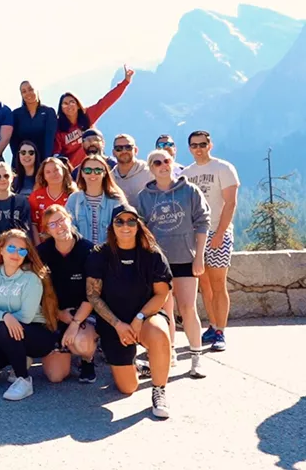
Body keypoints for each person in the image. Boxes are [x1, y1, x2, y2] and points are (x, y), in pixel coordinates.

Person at [85, 204, 173, 418]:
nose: (126, 226)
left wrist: (139, 318)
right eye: (120, 221)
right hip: (113, 324)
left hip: (145, 317)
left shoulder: (152, 255)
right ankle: (138, 365)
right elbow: (92, 295)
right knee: (127, 388)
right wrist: (117, 324)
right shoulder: (99, 254)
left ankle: (159, 390)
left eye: (131, 221)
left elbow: (162, 294)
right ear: (112, 226)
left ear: (138, 225)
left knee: (160, 333)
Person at [138, 149, 210, 378]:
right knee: (165, 312)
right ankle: (168, 355)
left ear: (172, 163)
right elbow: (140, 230)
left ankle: (196, 358)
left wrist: (199, 256)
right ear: (151, 168)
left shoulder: (189, 191)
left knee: (188, 308)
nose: (162, 165)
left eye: (166, 161)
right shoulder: (144, 197)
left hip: (185, 258)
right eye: (156, 162)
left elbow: (202, 222)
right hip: (158, 263)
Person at [0, 229, 60, 400]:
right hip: (8, 331)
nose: (16, 254)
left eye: (22, 250)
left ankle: (24, 379)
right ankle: (19, 359)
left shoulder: (31, 279)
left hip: (38, 334)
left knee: (6, 327)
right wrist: (4, 316)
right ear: (1, 249)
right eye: (12, 248)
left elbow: (26, 316)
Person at [181, 131, 240, 353]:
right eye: (194, 145)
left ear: (210, 145)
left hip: (218, 232)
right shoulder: (187, 173)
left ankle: (221, 331)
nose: (199, 148)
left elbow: (230, 203)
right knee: (204, 285)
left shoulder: (223, 168)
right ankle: (212, 326)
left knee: (218, 283)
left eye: (202, 144)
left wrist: (220, 233)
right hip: (195, 236)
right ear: (189, 148)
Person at [35, 205, 97, 383]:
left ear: (70, 219)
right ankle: (64, 350)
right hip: (54, 314)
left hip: (83, 313)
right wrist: (57, 314)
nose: (59, 226)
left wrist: (75, 322)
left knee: (82, 343)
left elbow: (93, 294)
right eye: (52, 224)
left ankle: (87, 360)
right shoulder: (42, 253)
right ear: (47, 230)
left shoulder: (89, 250)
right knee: (55, 376)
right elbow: (36, 291)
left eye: (61, 220)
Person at [54, 66, 133, 167]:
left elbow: (106, 101)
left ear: (78, 105)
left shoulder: (87, 116)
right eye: (65, 104)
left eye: (72, 102)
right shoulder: (59, 128)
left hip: (98, 163)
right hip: (76, 172)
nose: (69, 106)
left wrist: (125, 82)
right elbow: (57, 152)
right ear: (61, 108)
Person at [65, 154, 126, 245]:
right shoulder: (73, 199)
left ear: (105, 173)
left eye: (98, 170)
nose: (92, 174)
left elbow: (122, 230)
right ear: (82, 173)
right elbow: (69, 229)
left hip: (108, 255)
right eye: (88, 170)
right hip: (81, 255)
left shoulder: (116, 200)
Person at [0, 161, 32, 247]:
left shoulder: (22, 201)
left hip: (16, 249)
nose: (2, 179)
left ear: (12, 178)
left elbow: (26, 231)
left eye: (6, 176)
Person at [29, 157, 76, 238]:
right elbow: (33, 224)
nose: (53, 174)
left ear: (64, 171)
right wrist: (38, 246)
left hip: (69, 241)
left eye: (56, 170)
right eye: (48, 172)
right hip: (44, 244)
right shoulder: (36, 196)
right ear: (44, 176)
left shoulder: (74, 196)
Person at [10, 80, 57, 160]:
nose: (28, 93)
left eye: (30, 89)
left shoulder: (49, 112)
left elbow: (50, 140)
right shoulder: (15, 114)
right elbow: (14, 142)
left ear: (37, 91)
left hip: (43, 161)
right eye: (24, 91)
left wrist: (46, 163)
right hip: (23, 162)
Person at [110, 134, 152, 208]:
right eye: (119, 148)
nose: (124, 151)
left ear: (135, 150)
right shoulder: (110, 178)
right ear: (113, 153)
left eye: (128, 147)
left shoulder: (150, 172)